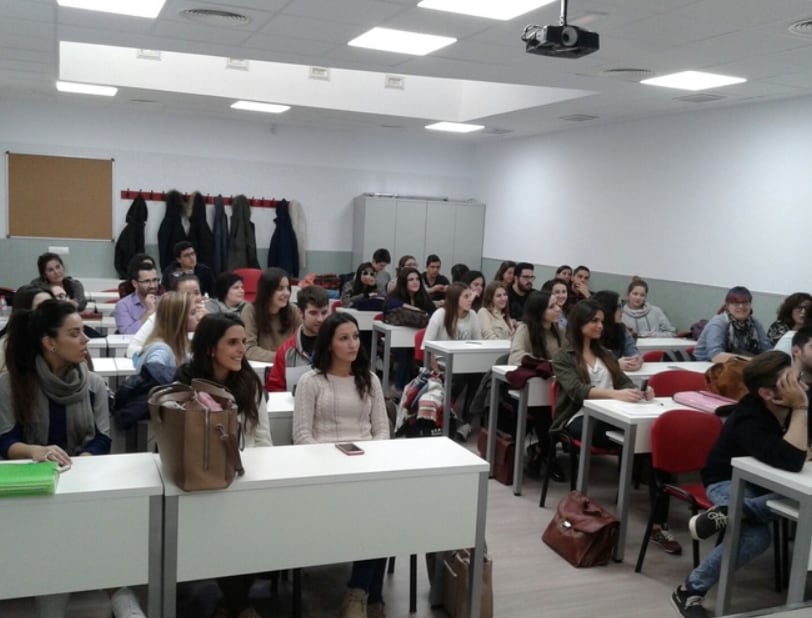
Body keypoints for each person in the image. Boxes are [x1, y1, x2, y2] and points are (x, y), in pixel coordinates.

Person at [0, 300, 116, 618]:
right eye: (75, 334)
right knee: (55, 543)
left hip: (82, 482)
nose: (85, 340)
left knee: (114, 539)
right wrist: (36, 451)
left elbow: (104, 438)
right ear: (50, 342)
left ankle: (123, 601)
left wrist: (79, 461)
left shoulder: (93, 384)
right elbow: (5, 440)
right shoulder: (12, 384)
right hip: (33, 489)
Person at [671, 351, 808, 618]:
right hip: (727, 482)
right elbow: (792, 460)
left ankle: (738, 511)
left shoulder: (790, 406)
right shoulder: (748, 417)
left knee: (801, 499)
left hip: (773, 487)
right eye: (791, 382)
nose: (800, 387)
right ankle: (689, 589)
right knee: (757, 537)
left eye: (798, 379)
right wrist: (802, 408)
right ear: (767, 394)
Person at [292, 312, 388, 618]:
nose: (352, 344)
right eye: (344, 338)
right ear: (329, 344)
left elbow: (382, 430)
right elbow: (302, 436)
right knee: (373, 515)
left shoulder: (369, 379)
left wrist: (372, 458)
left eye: (356, 337)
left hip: (366, 467)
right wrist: (330, 461)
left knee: (384, 513)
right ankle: (370, 598)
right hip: (324, 471)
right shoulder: (312, 381)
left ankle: (358, 593)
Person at [177, 313, 271, 618]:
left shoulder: (249, 383)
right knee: (223, 526)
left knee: (261, 527)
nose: (241, 349)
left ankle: (232, 604)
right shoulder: (186, 385)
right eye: (232, 342)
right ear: (209, 348)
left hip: (247, 477)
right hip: (203, 480)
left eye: (243, 341)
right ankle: (240, 607)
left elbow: (264, 439)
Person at [551, 298, 653, 450]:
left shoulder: (606, 354)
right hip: (579, 416)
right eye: (594, 321)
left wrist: (640, 390)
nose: (600, 326)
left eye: (602, 321)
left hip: (612, 413)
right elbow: (578, 391)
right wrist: (615, 394)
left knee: (645, 432)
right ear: (580, 323)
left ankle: (638, 473)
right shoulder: (563, 357)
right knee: (633, 437)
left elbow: (623, 381)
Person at [508, 290, 565, 478]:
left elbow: (569, 356)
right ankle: (549, 456)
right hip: (528, 390)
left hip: (553, 387)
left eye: (557, 305)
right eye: (552, 306)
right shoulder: (525, 329)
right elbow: (515, 357)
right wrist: (544, 364)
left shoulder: (558, 330)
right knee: (545, 413)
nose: (558, 309)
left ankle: (542, 453)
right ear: (539, 311)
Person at [423, 282, 482, 439]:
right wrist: (434, 368)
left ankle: (467, 423)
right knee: (460, 376)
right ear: (455, 298)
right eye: (466, 296)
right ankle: (448, 413)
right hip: (443, 362)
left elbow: (478, 343)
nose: (470, 300)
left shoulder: (473, 316)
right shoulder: (441, 314)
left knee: (480, 376)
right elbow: (427, 346)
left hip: (465, 362)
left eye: (471, 296)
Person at [266, 285, 329, 393]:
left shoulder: (335, 344)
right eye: (313, 313)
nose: (320, 319)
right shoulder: (286, 350)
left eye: (324, 313)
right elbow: (274, 389)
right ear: (300, 313)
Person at [127, 273, 205, 359]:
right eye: (187, 295)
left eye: (197, 293)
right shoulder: (162, 315)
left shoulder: (210, 315)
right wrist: (165, 353)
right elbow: (131, 350)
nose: (193, 298)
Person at [384, 267, 436, 391]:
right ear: (404, 282)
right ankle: (400, 388)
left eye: (417, 279)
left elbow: (433, 313)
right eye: (411, 279)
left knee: (417, 354)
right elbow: (388, 305)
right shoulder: (395, 297)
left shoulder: (423, 297)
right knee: (406, 353)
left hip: (419, 338)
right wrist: (412, 308)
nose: (415, 282)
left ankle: (417, 388)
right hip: (399, 339)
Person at [694, 286, 771, 363]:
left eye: (745, 302)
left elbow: (768, 351)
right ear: (727, 306)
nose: (741, 306)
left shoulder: (754, 323)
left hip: (740, 365)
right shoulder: (718, 323)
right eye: (736, 303)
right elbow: (716, 356)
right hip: (706, 365)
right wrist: (755, 362)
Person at [137, 291, 200, 384]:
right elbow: (152, 380)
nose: (198, 317)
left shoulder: (178, 347)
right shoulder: (161, 350)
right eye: (193, 313)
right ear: (179, 318)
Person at [241, 267, 301, 362]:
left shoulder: (293, 310)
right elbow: (248, 349)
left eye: (288, 288)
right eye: (280, 288)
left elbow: (303, 344)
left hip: (288, 367)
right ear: (267, 291)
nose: (287, 293)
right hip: (260, 368)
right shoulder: (250, 311)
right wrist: (284, 357)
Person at [0, 285, 53, 373]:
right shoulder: (7, 344)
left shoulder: (57, 337)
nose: (49, 311)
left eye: (51, 305)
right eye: (41, 307)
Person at [594, 290, 642, 371]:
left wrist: (638, 361)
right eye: (619, 307)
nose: (622, 311)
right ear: (608, 309)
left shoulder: (621, 329)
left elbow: (634, 353)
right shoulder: (592, 330)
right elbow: (588, 362)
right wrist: (615, 364)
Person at [115, 258, 160, 335]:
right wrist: (149, 312)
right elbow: (127, 333)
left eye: (155, 280)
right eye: (147, 281)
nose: (153, 285)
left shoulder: (164, 301)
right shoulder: (123, 305)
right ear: (135, 283)